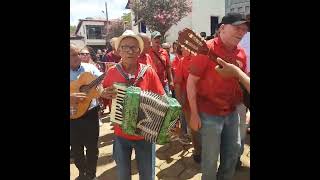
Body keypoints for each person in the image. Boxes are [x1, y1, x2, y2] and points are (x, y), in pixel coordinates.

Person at [186, 13, 248, 180]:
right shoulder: (206, 49)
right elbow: (191, 82)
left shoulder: (242, 53)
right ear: (222, 28)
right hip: (209, 113)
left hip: (232, 112)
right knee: (210, 159)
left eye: (244, 29)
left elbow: (241, 83)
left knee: (232, 153)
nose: (241, 32)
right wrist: (193, 113)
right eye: (237, 27)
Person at [101, 30, 165, 180]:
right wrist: (103, 93)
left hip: (145, 134)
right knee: (123, 175)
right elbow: (102, 95)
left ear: (139, 51)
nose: (130, 51)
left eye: (134, 48)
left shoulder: (148, 72)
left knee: (147, 175)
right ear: (118, 51)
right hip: (120, 133)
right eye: (125, 47)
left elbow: (162, 97)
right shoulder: (111, 72)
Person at [70, 43, 102, 180]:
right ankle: (82, 171)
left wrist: (99, 89)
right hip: (71, 115)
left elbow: (101, 85)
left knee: (92, 148)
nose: (77, 57)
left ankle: (91, 174)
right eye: (73, 54)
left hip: (90, 113)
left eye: (79, 53)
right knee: (76, 149)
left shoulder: (90, 68)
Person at [174, 47, 202, 159]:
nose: (182, 51)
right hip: (189, 101)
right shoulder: (182, 61)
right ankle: (198, 151)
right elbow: (178, 82)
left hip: (207, 101)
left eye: (184, 48)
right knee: (194, 128)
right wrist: (180, 100)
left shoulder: (203, 58)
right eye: (181, 49)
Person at [149, 31, 174, 95]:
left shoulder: (164, 52)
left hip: (163, 83)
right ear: (151, 40)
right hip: (152, 83)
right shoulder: (148, 51)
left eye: (159, 38)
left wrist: (171, 81)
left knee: (166, 102)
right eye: (155, 38)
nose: (158, 39)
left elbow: (168, 67)